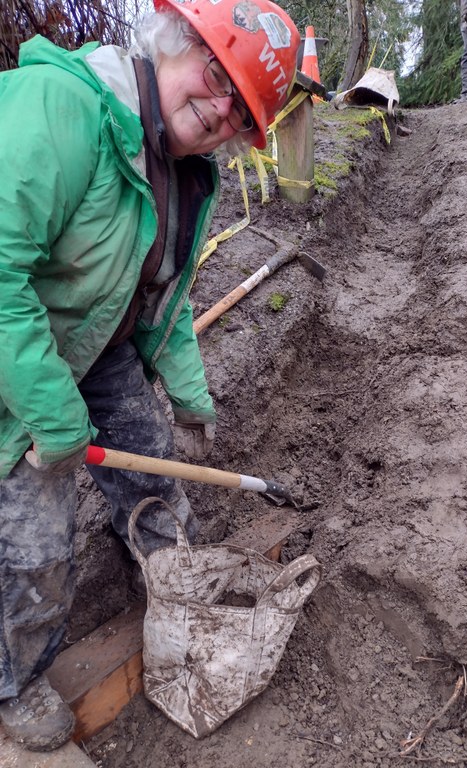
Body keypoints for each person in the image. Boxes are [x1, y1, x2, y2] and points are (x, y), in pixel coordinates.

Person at [0, 0, 299, 752]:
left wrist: (191, 396)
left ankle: (174, 588)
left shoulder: (187, 174)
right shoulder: (63, 109)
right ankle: (14, 676)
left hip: (90, 346)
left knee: (154, 472)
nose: (222, 110)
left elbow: (164, 299)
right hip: (16, 349)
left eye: (242, 111)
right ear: (175, 42)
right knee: (35, 545)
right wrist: (51, 416)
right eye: (216, 75)